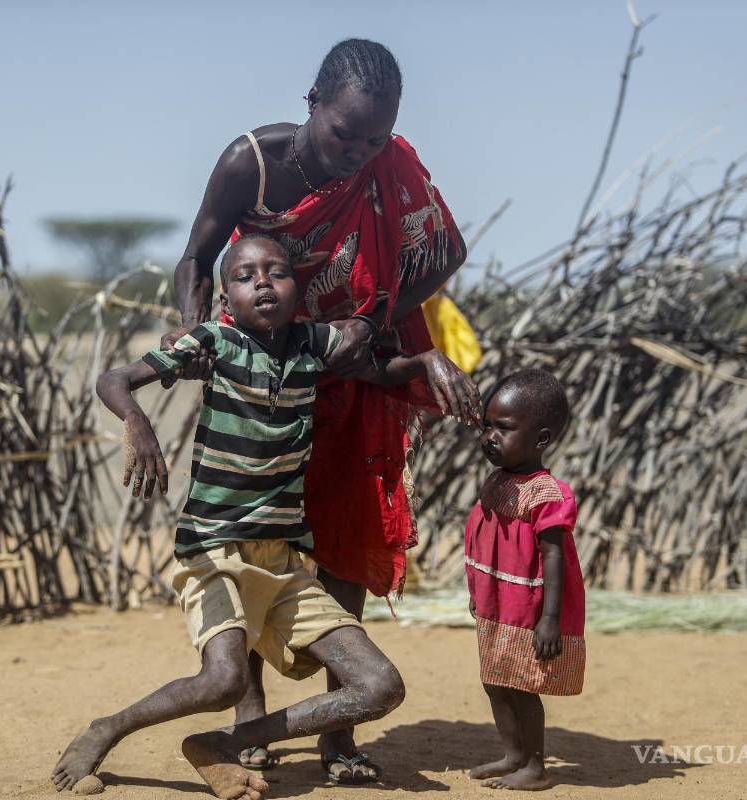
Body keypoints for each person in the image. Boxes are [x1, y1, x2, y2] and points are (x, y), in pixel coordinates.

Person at [163, 37, 481, 783]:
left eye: (376, 138)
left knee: (343, 536)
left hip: (354, 367)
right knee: (252, 534)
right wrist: (195, 330)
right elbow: (197, 257)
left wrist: (375, 318)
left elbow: (447, 251)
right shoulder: (252, 165)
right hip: (264, 373)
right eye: (346, 134)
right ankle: (246, 716)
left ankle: (339, 734)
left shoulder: (388, 168)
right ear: (312, 104)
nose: (360, 153)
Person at [52, 235, 446, 798]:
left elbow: (379, 369)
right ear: (225, 301)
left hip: (282, 563)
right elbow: (112, 379)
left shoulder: (313, 343)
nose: (262, 282)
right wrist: (137, 424)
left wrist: (428, 360)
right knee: (223, 680)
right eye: (244, 276)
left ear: (297, 289)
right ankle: (107, 728)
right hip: (213, 550)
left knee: (380, 685)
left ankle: (221, 743)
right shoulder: (214, 341)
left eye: (276, 272)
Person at [464, 369, 585, 791]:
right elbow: (486, 541)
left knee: (522, 686)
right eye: (487, 426)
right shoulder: (499, 481)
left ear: (541, 438)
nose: (489, 437)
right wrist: (478, 592)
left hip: (528, 611)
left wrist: (549, 619)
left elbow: (554, 558)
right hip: (498, 604)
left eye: (504, 428)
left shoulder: (547, 495)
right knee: (494, 679)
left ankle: (535, 767)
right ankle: (512, 755)